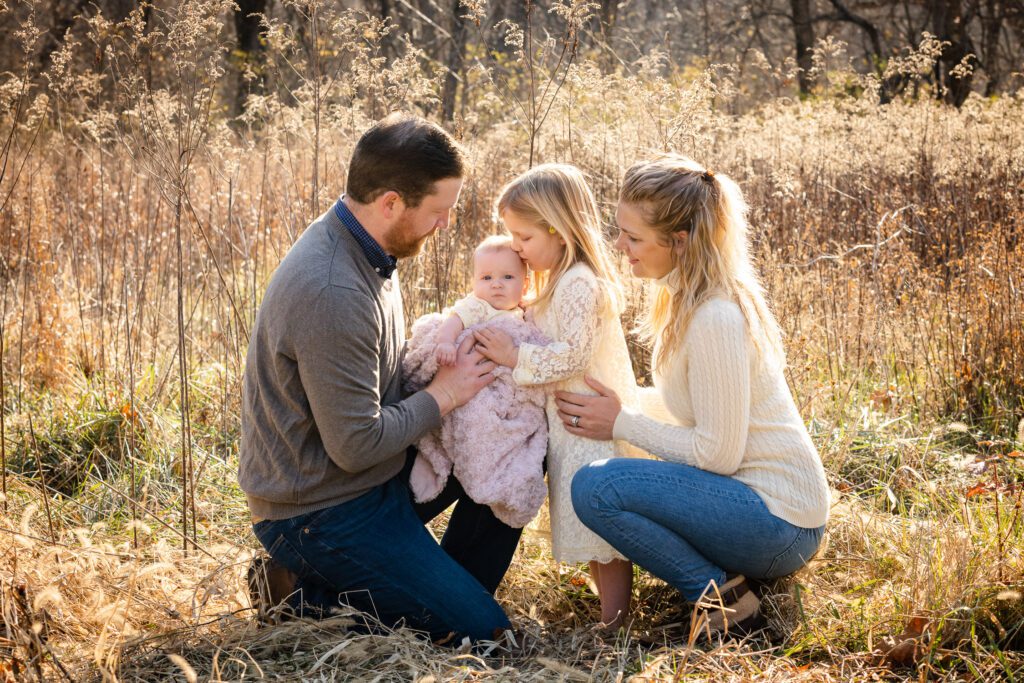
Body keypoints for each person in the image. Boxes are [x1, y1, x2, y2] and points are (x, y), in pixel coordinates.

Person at [238, 113, 520, 644]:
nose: (444, 226)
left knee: (510, 442)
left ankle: (444, 590)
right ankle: (301, 591)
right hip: (320, 510)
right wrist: (446, 393)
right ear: (391, 202)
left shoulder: (369, 247)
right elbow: (355, 444)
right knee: (486, 637)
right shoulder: (331, 290)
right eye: (438, 212)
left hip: (371, 480)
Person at [559, 154, 830, 637]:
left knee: (596, 487)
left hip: (779, 523)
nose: (620, 246)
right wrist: (616, 404)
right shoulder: (683, 296)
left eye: (634, 237)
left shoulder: (715, 317)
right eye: (620, 231)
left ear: (679, 241)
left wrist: (621, 422)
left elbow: (717, 454)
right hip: (751, 508)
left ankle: (720, 597)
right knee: (598, 479)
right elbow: (691, 408)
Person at [472, 163, 642, 629]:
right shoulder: (558, 284)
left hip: (590, 422)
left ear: (559, 228)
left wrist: (513, 356)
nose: (517, 251)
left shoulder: (579, 283)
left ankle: (617, 622)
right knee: (586, 522)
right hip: (569, 422)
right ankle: (610, 615)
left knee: (603, 529)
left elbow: (572, 357)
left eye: (523, 237)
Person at [402, 235, 549, 528]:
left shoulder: (525, 312)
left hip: (507, 393)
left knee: (516, 429)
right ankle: (454, 462)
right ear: (474, 283)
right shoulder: (479, 307)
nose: (496, 284)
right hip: (475, 390)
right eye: (486, 277)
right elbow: (454, 322)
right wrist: (445, 343)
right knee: (473, 421)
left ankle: (501, 473)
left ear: (525, 283)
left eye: (507, 277)